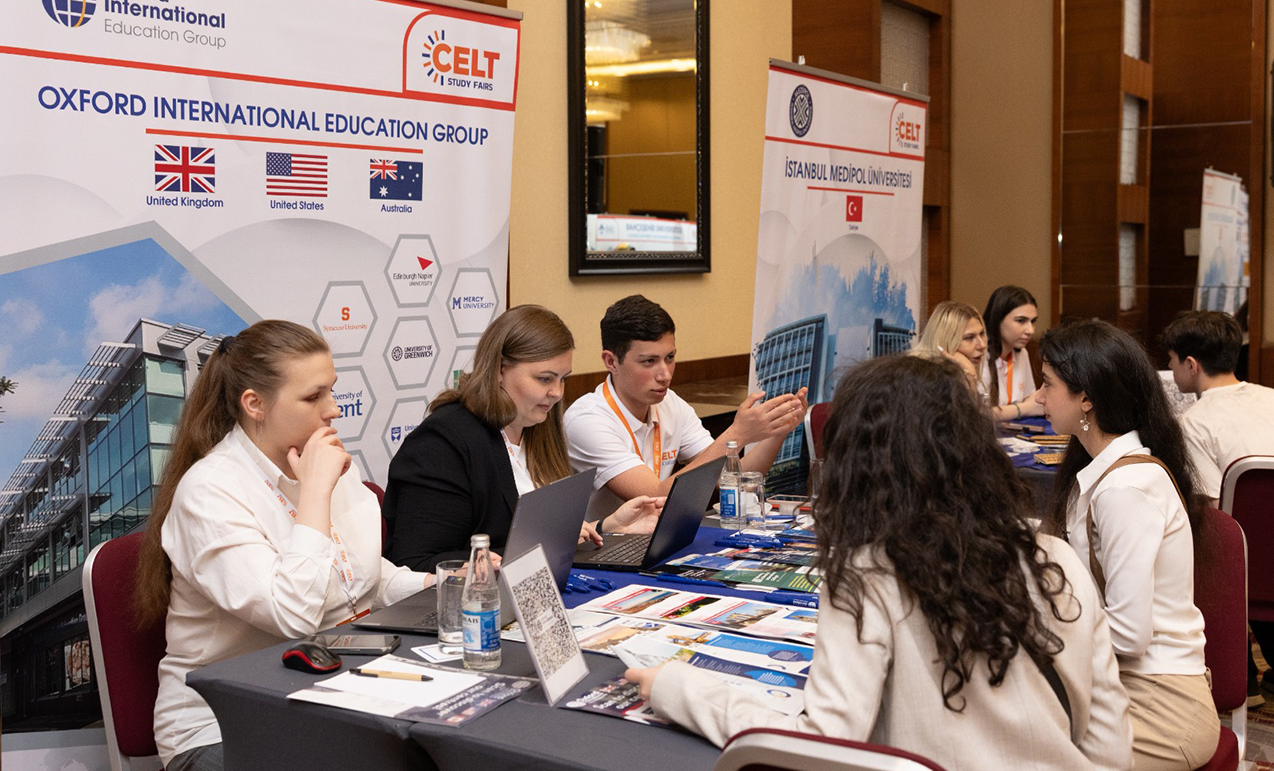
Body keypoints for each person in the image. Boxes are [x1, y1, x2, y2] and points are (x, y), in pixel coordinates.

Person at [626, 353, 1132, 770]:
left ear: (858, 463)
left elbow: (824, 740)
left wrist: (680, 689)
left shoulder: (870, 574)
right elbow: (1111, 748)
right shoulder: (1055, 557)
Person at [134, 321, 433, 771]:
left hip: (330, 692)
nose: (333, 409)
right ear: (254, 404)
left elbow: (358, 576)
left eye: (332, 390)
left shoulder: (322, 461)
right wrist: (315, 492)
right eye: (313, 397)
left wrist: (439, 584)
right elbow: (295, 614)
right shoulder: (209, 491)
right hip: (224, 725)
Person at [1035, 319, 1219, 771]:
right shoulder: (1100, 471)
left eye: (1047, 384)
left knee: (1016, 750)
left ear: (1086, 397)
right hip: (1120, 683)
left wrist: (1037, 627)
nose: (1038, 397)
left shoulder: (1125, 488)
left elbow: (1129, 634)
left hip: (1162, 702)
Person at [384, 305, 663, 573]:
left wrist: (608, 528)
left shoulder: (539, 426)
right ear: (499, 370)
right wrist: (541, 544)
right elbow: (417, 563)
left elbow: (548, 539)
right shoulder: (443, 442)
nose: (557, 392)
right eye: (544, 379)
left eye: (563, 379)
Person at [564, 295, 807, 522]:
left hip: (655, 537)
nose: (665, 375)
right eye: (649, 361)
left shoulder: (670, 403)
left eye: (669, 358)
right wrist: (737, 433)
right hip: (605, 546)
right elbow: (655, 497)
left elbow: (732, 480)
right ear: (611, 362)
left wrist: (779, 431)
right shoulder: (587, 419)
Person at [1161, 309, 1274, 703]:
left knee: (1194, 532)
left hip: (1244, 568)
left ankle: (1238, 674)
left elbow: (1215, 515)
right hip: (1270, 565)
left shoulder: (1193, 423)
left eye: (1172, 361)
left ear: (1191, 365)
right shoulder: (1271, 398)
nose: (1170, 369)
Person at [983, 285, 1046, 421]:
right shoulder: (978, 355)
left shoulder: (1022, 354)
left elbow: (1031, 400)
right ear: (997, 319)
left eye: (1033, 321)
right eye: (1021, 321)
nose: (1030, 330)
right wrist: (1024, 408)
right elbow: (978, 414)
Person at [912, 300, 987, 389]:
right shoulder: (920, 380)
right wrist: (970, 377)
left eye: (982, 334)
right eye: (969, 337)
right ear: (945, 342)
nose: (982, 345)